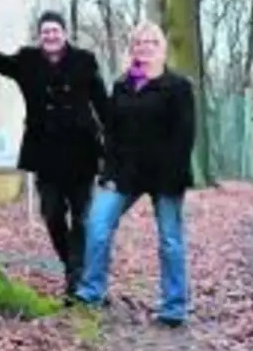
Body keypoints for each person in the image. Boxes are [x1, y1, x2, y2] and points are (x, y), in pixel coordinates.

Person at [0, 11, 111, 297]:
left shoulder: (85, 61)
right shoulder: (27, 61)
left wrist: (113, 144)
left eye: (55, 30)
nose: (50, 36)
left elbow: (102, 104)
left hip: (82, 151)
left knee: (81, 217)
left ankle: (76, 277)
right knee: (52, 214)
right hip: (45, 153)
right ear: (39, 36)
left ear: (65, 33)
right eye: (45, 32)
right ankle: (71, 265)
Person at [72, 21, 197, 328]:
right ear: (133, 48)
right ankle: (91, 293)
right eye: (139, 42)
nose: (144, 46)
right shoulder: (122, 85)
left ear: (162, 47)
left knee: (170, 239)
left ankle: (174, 306)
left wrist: (174, 176)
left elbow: (185, 136)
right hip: (125, 174)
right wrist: (109, 172)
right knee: (98, 224)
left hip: (165, 175)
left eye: (151, 41)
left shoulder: (178, 86)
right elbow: (112, 132)